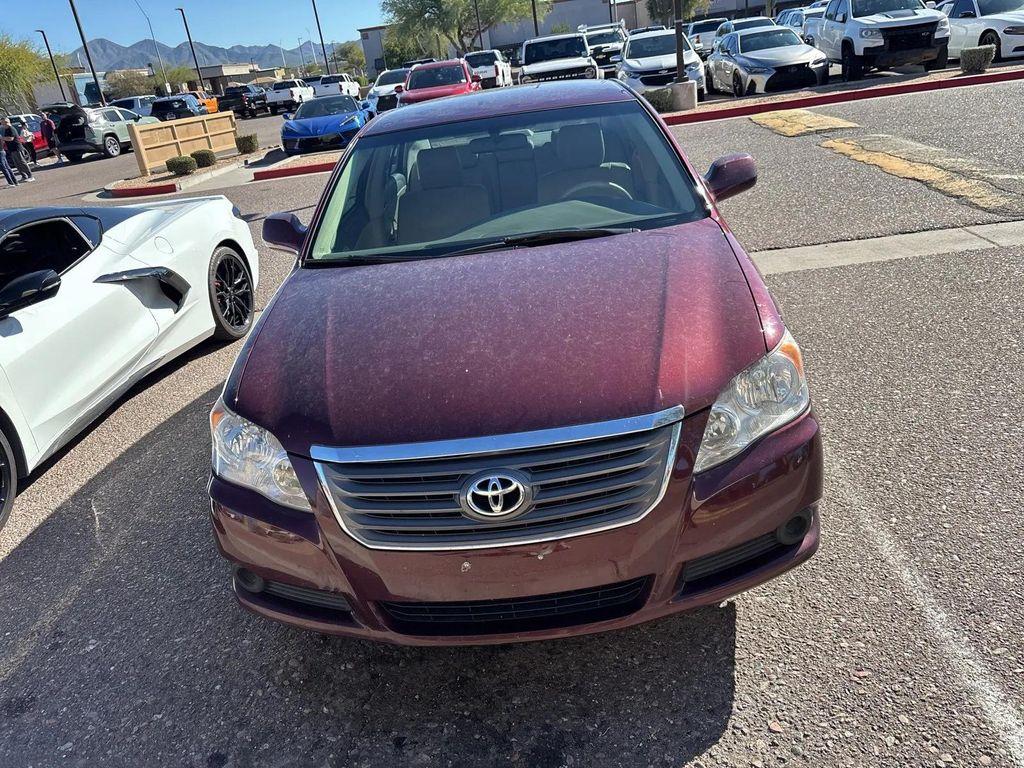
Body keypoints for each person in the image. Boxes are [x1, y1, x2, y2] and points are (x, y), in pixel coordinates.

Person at [1, 118, 33, 182]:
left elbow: (11, 138)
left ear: (7, 122)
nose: (2, 124)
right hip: (11, 149)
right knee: (17, 164)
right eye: (1, 123)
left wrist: (2, 138)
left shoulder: (11, 129)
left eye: (3, 123)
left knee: (22, 162)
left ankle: (30, 176)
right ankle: (24, 176)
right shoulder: (6, 130)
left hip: (17, 148)